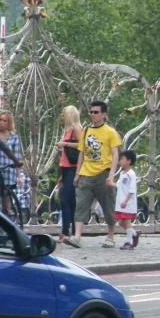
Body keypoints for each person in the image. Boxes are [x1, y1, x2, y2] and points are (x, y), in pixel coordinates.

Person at [64, 101, 122, 249]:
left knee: (108, 205)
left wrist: (111, 175)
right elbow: (82, 153)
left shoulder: (111, 132)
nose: (93, 115)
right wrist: (77, 174)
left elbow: (115, 154)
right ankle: (77, 236)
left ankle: (110, 235)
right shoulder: (86, 131)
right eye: (91, 112)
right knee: (81, 205)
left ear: (104, 114)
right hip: (86, 174)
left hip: (103, 173)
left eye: (96, 112)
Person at [55, 105, 82, 243]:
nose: (62, 116)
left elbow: (82, 146)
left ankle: (66, 232)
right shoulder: (68, 130)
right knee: (68, 201)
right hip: (65, 168)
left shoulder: (77, 128)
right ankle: (70, 231)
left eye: (64, 114)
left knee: (66, 200)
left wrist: (64, 144)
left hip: (73, 168)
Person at [112, 150, 140, 250]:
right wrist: (110, 183)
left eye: (122, 159)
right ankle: (134, 234)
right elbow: (119, 185)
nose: (120, 161)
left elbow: (132, 190)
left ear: (129, 161)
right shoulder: (122, 173)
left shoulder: (131, 174)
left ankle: (129, 242)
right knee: (120, 222)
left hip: (127, 203)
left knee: (127, 222)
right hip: (121, 202)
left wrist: (126, 201)